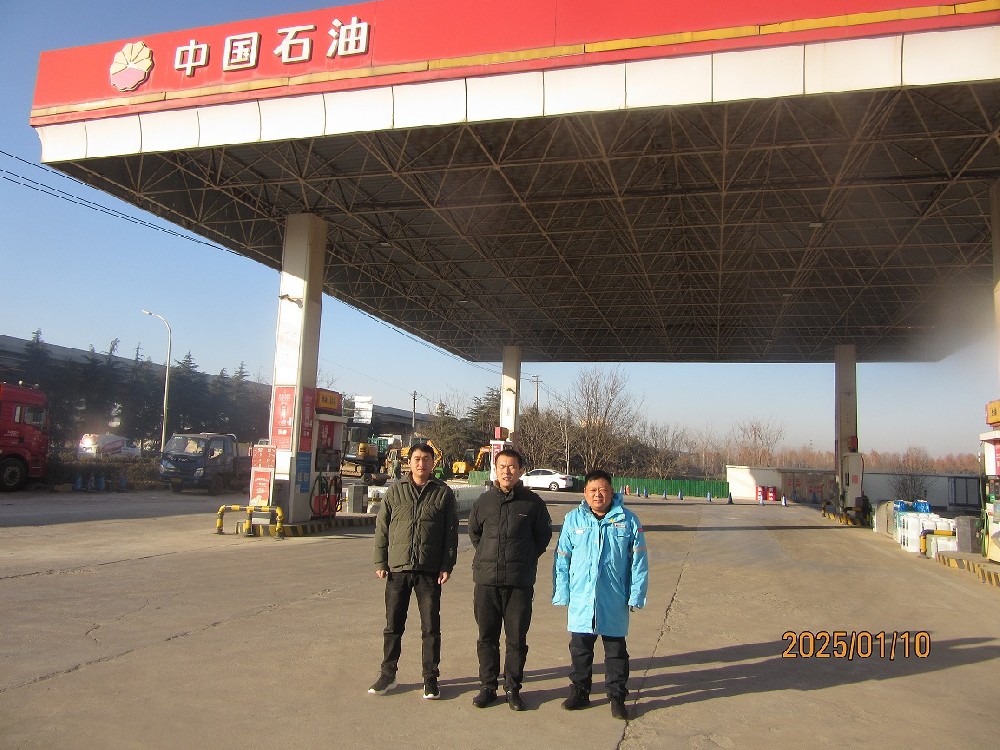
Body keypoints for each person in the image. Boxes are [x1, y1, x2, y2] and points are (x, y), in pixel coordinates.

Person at [552, 469, 648, 720]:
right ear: (585, 493)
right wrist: (562, 592)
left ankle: (617, 697)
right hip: (582, 598)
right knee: (580, 650)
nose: (598, 495)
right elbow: (562, 558)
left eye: (602, 490)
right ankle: (580, 692)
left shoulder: (628, 520)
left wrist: (636, 595)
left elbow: (639, 562)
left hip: (613, 598)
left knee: (616, 652)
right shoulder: (573, 520)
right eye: (592, 490)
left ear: (611, 492)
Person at [370, 443, 459, 700]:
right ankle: (388, 675)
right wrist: (380, 562)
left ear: (433, 463)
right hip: (398, 569)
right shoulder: (395, 490)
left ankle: (430, 678)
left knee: (430, 628)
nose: (421, 464)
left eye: (426, 459)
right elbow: (382, 528)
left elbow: (451, 533)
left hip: (429, 570)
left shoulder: (442, 493)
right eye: (417, 459)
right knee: (393, 626)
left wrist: (447, 565)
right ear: (409, 462)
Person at [468, 448, 552, 711]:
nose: (507, 471)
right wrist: (488, 556)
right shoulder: (483, 502)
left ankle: (513, 688)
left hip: (519, 582)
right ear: (495, 469)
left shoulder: (533, 503)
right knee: (487, 637)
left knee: (516, 639)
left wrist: (524, 557)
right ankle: (488, 686)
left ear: (521, 470)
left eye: (512, 466)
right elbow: (475, 534)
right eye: (502, 466)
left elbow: (542, 537)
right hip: (487, 581)